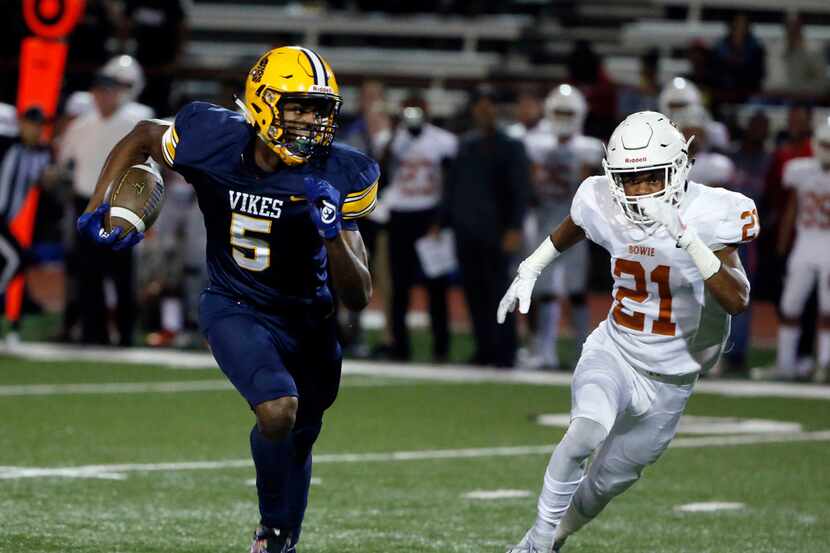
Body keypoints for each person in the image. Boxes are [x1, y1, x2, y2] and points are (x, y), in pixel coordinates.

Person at [74, 46, 378, 552]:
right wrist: (97, 207)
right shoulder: (209, 136)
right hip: (234, 303)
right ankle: (272, 531)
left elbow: (359, 294)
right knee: (278, 410)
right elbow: (143, 136)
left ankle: (279, 534)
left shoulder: (342, 171)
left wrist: (332, 233)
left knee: (300, 435)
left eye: (319, 112)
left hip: (309, 320)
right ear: (262, 102)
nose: (309, 123)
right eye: (298, 107)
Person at [498, 111, 757, 552]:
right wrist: (531, 267)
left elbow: (736, 299)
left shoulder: (713, 212)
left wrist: (687, 237)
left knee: (604, 485)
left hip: (673, 378)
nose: (638, 190)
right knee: (585, 431)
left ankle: (553, 537)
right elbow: (574, 226)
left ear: (677, 168)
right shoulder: (601, 199)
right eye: (628, 178)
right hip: (616, 349)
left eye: (650, 177)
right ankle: (536, 544)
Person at [443, 85, 530, 367]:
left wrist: (515, 228)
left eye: (490, 104)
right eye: (480, 105)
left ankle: (505, 351)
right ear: (473, 111)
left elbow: (520, 191)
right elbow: (453, 188)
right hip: (466, 232)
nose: (485, 110)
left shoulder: (511, 145)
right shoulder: (465, 145)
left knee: (499, 293)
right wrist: (445, 222)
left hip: (496, 233)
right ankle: (483, 349)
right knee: (473, 294)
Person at [59, 68, 147, 345]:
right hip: (87, 201)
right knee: (89, 272)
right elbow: (64, 157)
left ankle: (125, 333)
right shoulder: (82, 124)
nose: (102, 97)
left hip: (121, 204)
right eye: (98, 92)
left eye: (107, 91)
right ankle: (92, 333)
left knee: (122, 272)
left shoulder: (134, 122)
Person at [521, 84, 602, 370]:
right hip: (545, 221)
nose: (564, 117)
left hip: (578, 225)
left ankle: (584, 350)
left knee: (577, 290)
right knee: (545, 290)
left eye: (569, 111)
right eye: (560, 111)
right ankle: (545, 351)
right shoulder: (535, 143)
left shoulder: (589, 148)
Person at [384, 94, 457, 361]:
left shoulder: (443, 141)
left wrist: (442, 219)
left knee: (436, 286)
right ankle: (399, 346)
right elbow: (381, 169)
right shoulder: (393, 139)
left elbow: (450, 184)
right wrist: (392, 135)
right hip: (400, 214)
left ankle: (441, 348)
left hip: (429, 215)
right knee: (399, 287)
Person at [774, 118, 830, 381]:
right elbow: (792, 209)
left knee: (828, 309)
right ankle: (785, 364)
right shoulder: (800, 170)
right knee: (790, 305)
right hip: (805, 243)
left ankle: (825, 365)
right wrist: (782, 247)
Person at [675, 104, 735, 187]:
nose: (693, 137)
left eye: (697, 133)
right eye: (688, 132)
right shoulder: (668, 164)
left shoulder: (718, 164)